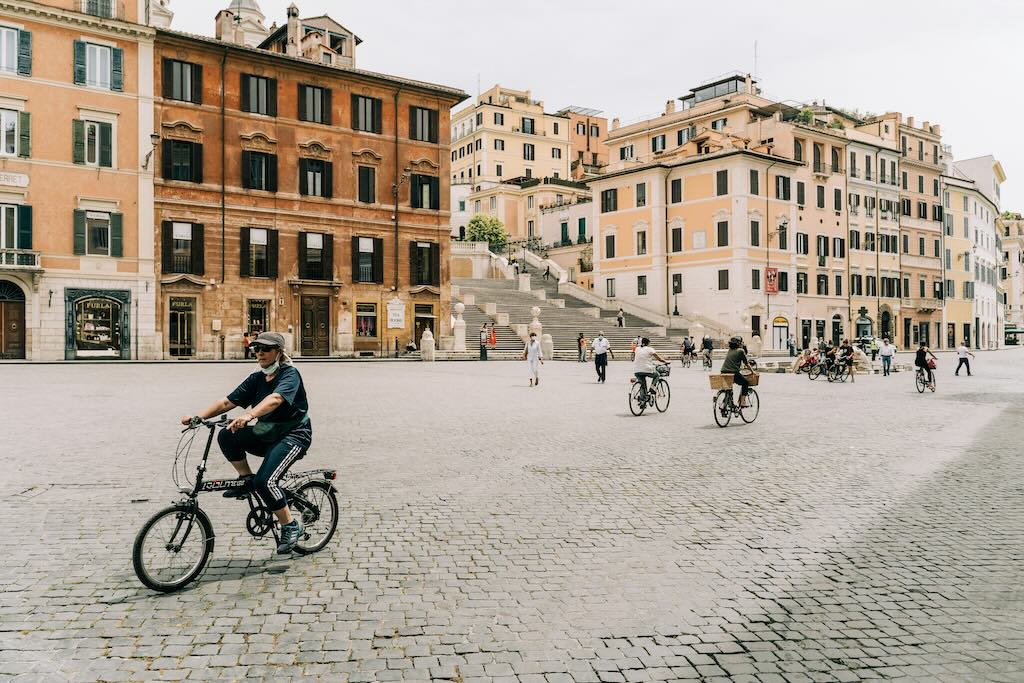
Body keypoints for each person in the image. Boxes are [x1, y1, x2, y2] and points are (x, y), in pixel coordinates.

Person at [180, 332, 310, 554]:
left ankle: (290, 525)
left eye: (266, 349)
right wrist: (198, 417)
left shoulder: (290, 374)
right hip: (267, 433)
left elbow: (275, 399)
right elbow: (227, 402)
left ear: (278, 352)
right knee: (226, 434)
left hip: (293, 436)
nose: (260, 353)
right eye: (256, 349)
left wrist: (249, 416)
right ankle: (246, 478)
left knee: (266, 482)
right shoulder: (257, 378)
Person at [720, 336, 756, 407]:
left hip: (723, 371)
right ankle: (742, 402)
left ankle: (726, 402)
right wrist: (752, 371)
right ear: (739, 343)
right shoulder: (741, 351)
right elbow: (746, 363)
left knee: (729, 387)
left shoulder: (730, 350)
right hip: (733, 372)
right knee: (745, 383)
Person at [633, 338, 668, 402]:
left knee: (642, 384)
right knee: (657, 375)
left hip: (637, 370)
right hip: (647, 369)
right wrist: (665, 361)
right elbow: (659, 358)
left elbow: (642, 358)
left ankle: (642, 400)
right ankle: (652, 389)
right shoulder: (650, 349)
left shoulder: (637, 349)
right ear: (648, 343)